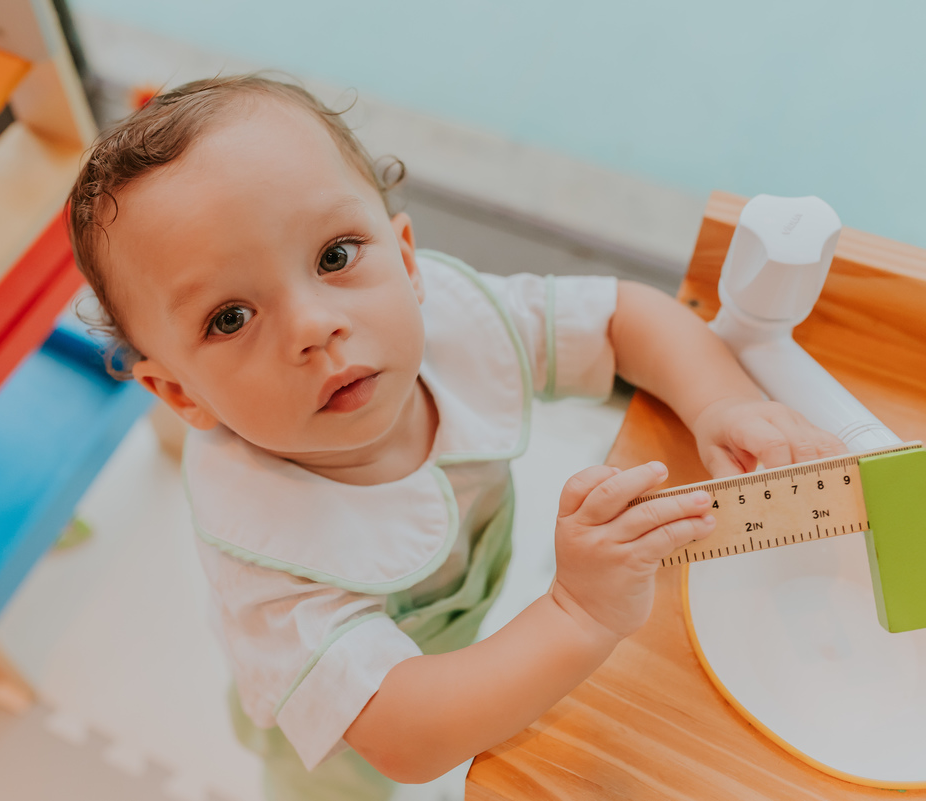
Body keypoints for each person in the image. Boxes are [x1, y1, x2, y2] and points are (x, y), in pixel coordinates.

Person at [66, 74, 844, 799]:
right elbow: (407, 735)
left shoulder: (450, 319)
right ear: (179, 393)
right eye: (230, 318)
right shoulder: (269, 561)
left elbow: (622, 318)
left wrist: (722, 406)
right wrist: (578, 610)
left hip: (462, 624)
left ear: (406, 259)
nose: (315, 325)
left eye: (335, 256)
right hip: (343, 733)